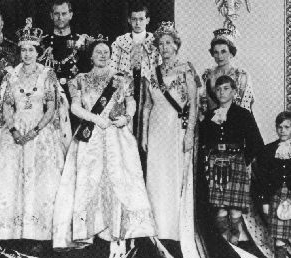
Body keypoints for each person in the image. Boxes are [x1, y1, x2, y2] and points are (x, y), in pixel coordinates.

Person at [52, 40, 155, 258]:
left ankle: (116, 229)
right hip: (91, 135)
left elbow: (131, 102)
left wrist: (126, 118)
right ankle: (88, 231)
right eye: (98, 52)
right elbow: (75, 108)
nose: (102, 55)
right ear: (91, 56)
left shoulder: (121, 78)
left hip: (117, 135)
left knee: (117, 177)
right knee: (90, 181)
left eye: (106, 52)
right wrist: (96, 119)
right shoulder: (80, 79)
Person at [0, 18, 71, 249]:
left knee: (42, 181)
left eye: (31, 50)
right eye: (23, 50)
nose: (27, 54)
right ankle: (10, 230)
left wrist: (37, 130)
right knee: (12, 179)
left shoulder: (47, 74)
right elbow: (7, 105)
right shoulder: (11, 74)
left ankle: (39, 233)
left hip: (42, 131)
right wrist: (13, 130)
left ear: (38, 51)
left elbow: (52, 106)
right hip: (16, 130)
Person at [141, 21, 198, 241]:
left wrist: (190, 133)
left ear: (176, 46)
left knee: (175, 176)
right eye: (161, 43)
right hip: (156, 129)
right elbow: (147, 105)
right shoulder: (151, 73)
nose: (164, 47)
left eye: (168, 43)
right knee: (157, 176)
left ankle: (176, 230)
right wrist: (144, 134)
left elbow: (193, 104)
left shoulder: (186, 70)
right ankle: (158, 229)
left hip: (177, 128)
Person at [199, 75, 264, 245]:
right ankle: (224, 246)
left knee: (235, 209)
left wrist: (243, 161)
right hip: (215, 164)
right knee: (220, 208)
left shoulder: (243, 114)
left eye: (226, 88)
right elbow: (203, 141)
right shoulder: (209, 115)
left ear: (234, 92)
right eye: (218, 89)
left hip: (236, 163)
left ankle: (235, 243)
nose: (221, 92)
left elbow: (256, 142)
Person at [109, 2, 160, 142]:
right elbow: (113, 69)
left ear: (147, 20)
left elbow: (159, 69)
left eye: (141, 19)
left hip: (148, 89)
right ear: (129, 20)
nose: (137, 23)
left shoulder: (155, 43)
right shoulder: (120, 43)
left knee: (146, 124)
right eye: (134, 19)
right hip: (126, 89)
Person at [40, 0, 91, 133]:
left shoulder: (82, 42)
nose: (60, 17)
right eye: (56, 14)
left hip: (75, 100)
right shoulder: (42, 43)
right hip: (50, 100)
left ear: (71, 15)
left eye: (64, 13)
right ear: (51, 15)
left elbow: (87, 75)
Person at [253, 112, 291, 258]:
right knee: (279, 239)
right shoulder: (268, 151)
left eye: (287, 127)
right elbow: (262, 180)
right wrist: (264, 201)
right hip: (276, 198)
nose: (282, 130)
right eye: (280, 127)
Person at [201, 28, 255, 115]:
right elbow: (203, 105)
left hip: (235, 121)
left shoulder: (241, 75)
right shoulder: (207, 75)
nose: (219, 56)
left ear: (231, 53)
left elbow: (244, 106)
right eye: (216, 52)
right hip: (211, 122)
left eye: (223, 51)